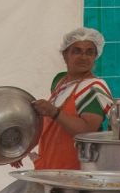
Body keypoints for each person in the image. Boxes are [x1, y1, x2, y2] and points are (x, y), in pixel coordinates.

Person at [30, 26, 114, 170]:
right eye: (77, 51)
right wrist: (23, 148)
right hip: (51, 167)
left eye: (90, 52)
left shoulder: (94, 88)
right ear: (65, 55)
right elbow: (51, 126)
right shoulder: (60, 81)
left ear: (96, 56)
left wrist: (54, 112)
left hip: (77, 172)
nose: (83, 57)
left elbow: (87, 132)